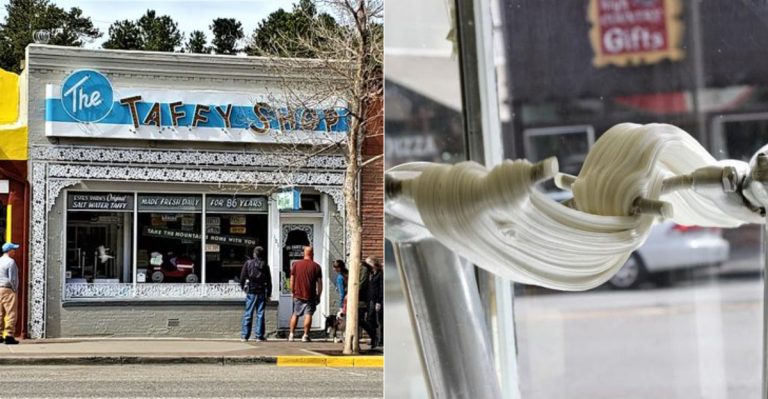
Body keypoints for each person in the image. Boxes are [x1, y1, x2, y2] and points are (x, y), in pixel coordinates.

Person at [289, 246, 322, 342]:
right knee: (308, 314)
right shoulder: (316, 266)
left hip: (298, 294)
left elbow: (292, 280)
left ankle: (291, 335)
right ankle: (305, 335)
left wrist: (292, 292)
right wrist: (318, 295)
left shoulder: (296, 265)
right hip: (310, 295)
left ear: (304, 253)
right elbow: (319, 283)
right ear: (312, 254)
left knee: (295, 314)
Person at [239, 246, 272, 342]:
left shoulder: (248, 263)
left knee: (248, 313)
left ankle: (245, 336)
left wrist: (243, 288)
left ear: (254, 254)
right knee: (260, 314)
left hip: (251, 291)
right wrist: (269, 294)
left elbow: (242, 277)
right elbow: (269, 281)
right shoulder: (265, 265)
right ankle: (259, 336)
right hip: (261, 291)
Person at [0, 242, 20, 345]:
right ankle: (9, 335)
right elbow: (13, 278)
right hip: (8, 289)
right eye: (14, 250)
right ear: (10, 251)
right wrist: (15, 289)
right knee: (11, 313)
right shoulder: (11, 262)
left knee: (0, 313)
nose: (15, 252)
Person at [367, 256, 383, 348]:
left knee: (379, 320)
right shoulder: (371, 274)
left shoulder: (380, 274)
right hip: (371, 300)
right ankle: (374, 338)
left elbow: (381, 288)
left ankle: (380, 340)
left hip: (377, 300)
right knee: (370, 319)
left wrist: (379, 301)